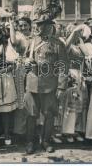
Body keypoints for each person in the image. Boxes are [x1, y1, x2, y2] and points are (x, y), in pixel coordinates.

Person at [23, 13, 68, 154]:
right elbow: (24, 58)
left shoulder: (58, 44)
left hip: (50, 85)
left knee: (49, 114)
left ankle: (46, 141)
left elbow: (63, 66)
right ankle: (30, 141)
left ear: (49, 26)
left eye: (41, 24)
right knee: (31, 114)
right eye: (36, 24)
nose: (37, 27)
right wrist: (26, 63)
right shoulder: (31, 42)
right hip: (32, 83)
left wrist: (61, 86)